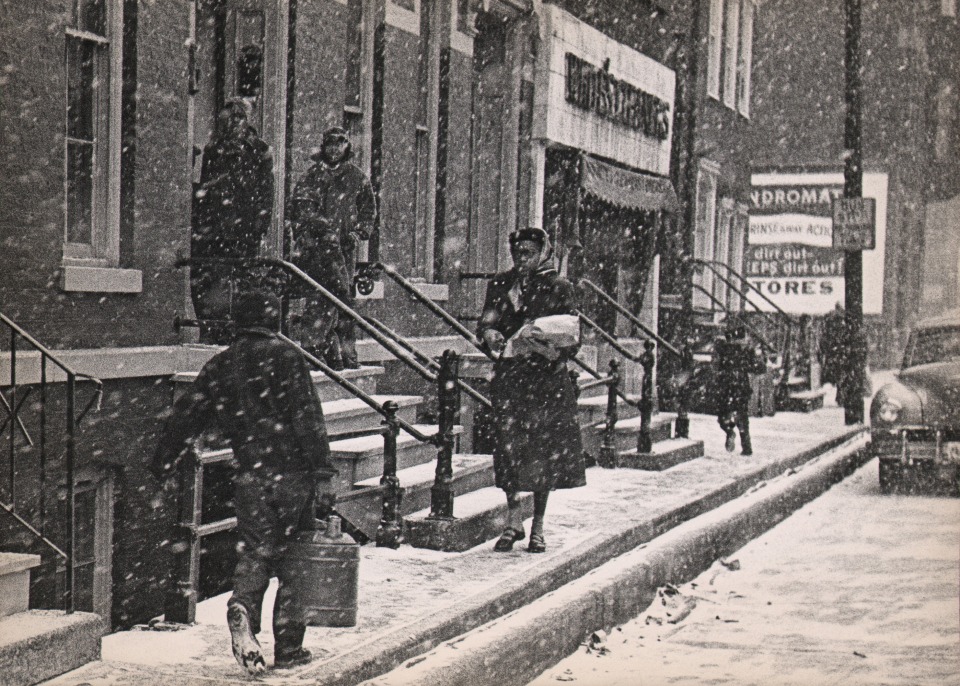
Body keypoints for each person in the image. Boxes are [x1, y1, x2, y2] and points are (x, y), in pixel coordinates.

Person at [151, 291, 336, 674]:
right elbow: (307, 417)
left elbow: (188, 415)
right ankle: (288, 648)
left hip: (250, 473)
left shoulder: (221, 364)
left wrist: (163, 462)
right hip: (293, 473)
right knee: (294, 561)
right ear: (275, 320)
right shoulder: (287, 357)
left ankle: (242, 606)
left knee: (257, 551)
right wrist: (323, 472)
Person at [477, 227, 586, 554]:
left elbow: (572, 336)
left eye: (528, 253)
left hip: (546, 381)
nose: (521, 259)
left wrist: (549, 345)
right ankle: (513, 519)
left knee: (542, 452)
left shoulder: (559, 287)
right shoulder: (500, 284)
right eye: (517, 253)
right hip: (512, 378)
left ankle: (538, 525)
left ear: (543, 252)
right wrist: (490, 334)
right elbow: (486, 322)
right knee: (508, 449)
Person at [289, 127, 376, 369]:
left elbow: (368, 211)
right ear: (324, 146)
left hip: (344, 251)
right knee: (319, 296)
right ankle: (321, 350)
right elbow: (299, 209)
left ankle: (344, 353)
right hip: (317, 250)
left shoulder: (357, 178)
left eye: (340, 144)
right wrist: (310, 231)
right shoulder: (312, 176)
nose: (335, 149)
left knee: (342, 297)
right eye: (330, 144)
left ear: (347, 147)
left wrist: (357, 234)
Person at [191, 98, 274, 345]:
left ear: (247, 121)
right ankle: (214, 328)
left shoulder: (259, 150)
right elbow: (205, 186)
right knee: (212, 277)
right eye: (230, 118)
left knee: (243, 278)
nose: (234, 122)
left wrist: (259, 224)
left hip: (244, 226)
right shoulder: (214, 149)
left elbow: (265, 191)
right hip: (215, 225)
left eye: (239, 117)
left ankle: (240, 330)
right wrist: (203, 219)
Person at [714, 318, 765, 455]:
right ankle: (746, 446)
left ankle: (730, 430)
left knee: (723, 415)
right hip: (739, 387)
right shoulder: (744, 352)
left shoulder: (724, 350)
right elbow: (759, 368)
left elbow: (717, 366)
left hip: (726, 387)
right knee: (742, 417)